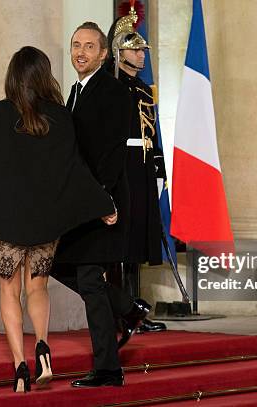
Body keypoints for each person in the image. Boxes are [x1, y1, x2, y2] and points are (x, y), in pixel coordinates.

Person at [0, 46, 116, 392]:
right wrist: (103, 203)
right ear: (45, 76)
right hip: (44, 219)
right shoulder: (60, 117)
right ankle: (43, 347)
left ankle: (19, 367)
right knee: (38, 286)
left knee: (8, 291)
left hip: (5, 220)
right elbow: (73, 170)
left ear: (12, 76)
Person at [50, 21, 153, 388]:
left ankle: (108, 369)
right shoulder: (76, 91)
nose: (80, 52)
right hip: (83, 202)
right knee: (59, 265)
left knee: (91, 280)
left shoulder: (111, 91)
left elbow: (110, 155)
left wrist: (103, 201)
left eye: (89, 46)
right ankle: (128, 308)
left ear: (104, 53)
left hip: (102, 202)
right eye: (76, 44)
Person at [105, 3, 167, 334]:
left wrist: (158, 168)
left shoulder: (142, 88)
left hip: (142, 167)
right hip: (122, 168)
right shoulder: (109, 85)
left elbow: (151, 132)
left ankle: (136, 309)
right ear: (118, 51)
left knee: (139, 240)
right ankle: (122, 310)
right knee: (122, 242)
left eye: (143, 48)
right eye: (135, 48)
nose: (142, 54)